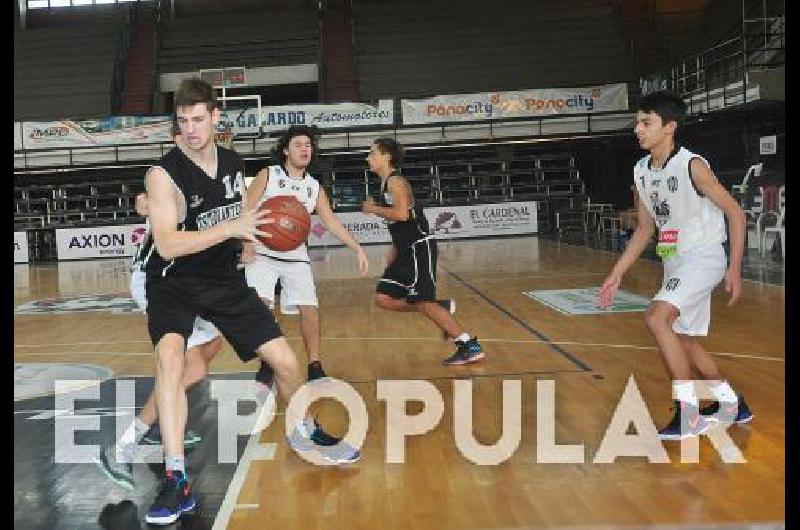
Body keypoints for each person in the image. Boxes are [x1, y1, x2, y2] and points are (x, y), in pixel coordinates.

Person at [139, 79, 358, 526]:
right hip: (174, 280)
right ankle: (175, 477)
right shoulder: (162, 174)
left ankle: (303, 431)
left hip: (222, 279)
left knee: (288, 363)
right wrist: (232, 229)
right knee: (171, 359)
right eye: (183, 121)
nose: (191, 129)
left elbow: (234, 213)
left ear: (216, 117)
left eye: (199, 119)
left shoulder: (234, 162)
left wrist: (248, 243)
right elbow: (167, 244)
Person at [597, 90, 753, 441]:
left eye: (646, 122)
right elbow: (646, 229)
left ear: (669, 127)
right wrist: (616, 272)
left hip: (704, 256)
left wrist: (734, 267)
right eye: (638, 122)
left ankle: (690, 414)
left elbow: (735, 212)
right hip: (675, 260)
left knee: (656, 317)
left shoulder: (692, 165)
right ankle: (732, 405)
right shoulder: (640, 170)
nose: (638, 129)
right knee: (684, 343)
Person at [94, 192, 223, 491]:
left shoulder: (219, 179)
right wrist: (147, 202)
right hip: (158, 278)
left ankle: (157, 426)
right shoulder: (173, 177)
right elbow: (144, 199)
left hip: (192, 278)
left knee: (213, 346)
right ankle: (123, 447)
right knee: (191, 369)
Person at [242, 125, 369, 382]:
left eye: (308, 145)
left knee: (310, 309)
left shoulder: (314, 187)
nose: (304, 149)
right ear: (286, 151)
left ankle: (314, 364)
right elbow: (246, 209)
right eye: (298, 145)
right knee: (262, 308)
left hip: (294, 253)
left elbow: (331, 222)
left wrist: (357, 248)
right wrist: (245, 243)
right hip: (262, 251)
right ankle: (269, 361)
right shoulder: (268, 175)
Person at [361, 137, 484, 366]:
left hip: (419, 248)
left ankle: (468, 345)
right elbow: (400, 225)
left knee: (424, 302)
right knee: (384, 298)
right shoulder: (385, 183)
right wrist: (393, 252)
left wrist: (372, 209)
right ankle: (442, 308)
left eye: (372, 153)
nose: (368, 157)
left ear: (386, 156)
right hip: (405, 250)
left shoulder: (395, 182)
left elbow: (402, 215)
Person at [617, 183, 639, 248]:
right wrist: (631, 210)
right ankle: (623, 236)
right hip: (638, 211)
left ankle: (630, 237)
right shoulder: (635, 194)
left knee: (629, 216)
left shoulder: (640, 193)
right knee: (622, 215)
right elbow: (636, 206)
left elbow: (638, 207)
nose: (631, 188)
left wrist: (635, 192)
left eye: (633, 187)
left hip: (646, 213)